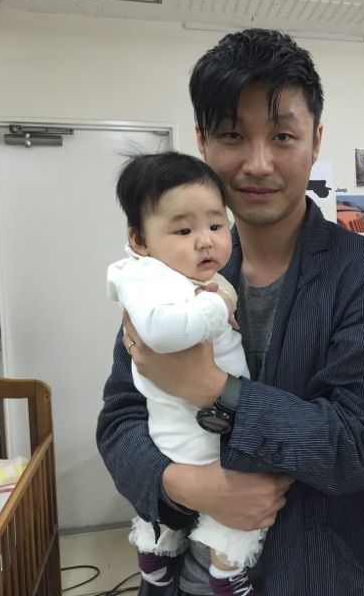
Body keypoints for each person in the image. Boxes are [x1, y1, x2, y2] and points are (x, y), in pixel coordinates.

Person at [97, 29, 364, 596]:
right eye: (232, 135)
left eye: (282, 136)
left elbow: (360, 445)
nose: (258, 163)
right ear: (202, 141)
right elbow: (122, 417)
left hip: (325, 577)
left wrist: (215, 389)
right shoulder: (170, 269)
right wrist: (183, 485)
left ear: (315, 140)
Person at [107, 152, 264, 595]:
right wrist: (218, 306)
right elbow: (162, 334)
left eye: (215, 225)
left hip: (199, 425)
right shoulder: (149, 281)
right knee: (239, 502)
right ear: (139, 240)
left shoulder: (186, 276)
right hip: (194, 431)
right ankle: (226, 574)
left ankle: (157, 552)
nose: (205, 242)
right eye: (183, 230)